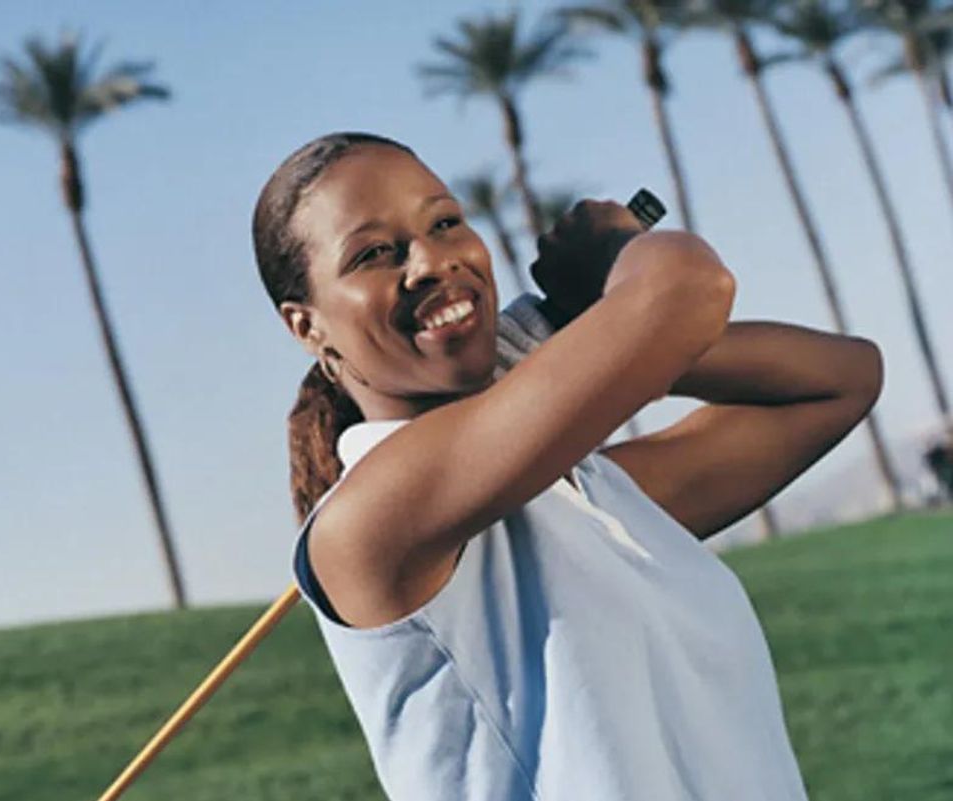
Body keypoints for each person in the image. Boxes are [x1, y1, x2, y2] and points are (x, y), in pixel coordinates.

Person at [252, 132, 883, 800]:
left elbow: (843, 378)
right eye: (375, 253)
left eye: (444, 222)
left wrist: (605, 343)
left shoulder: (592, 497)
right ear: (306, 325)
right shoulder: (368, 522)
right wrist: (613, 272)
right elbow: (689, 287)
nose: (432, 261)